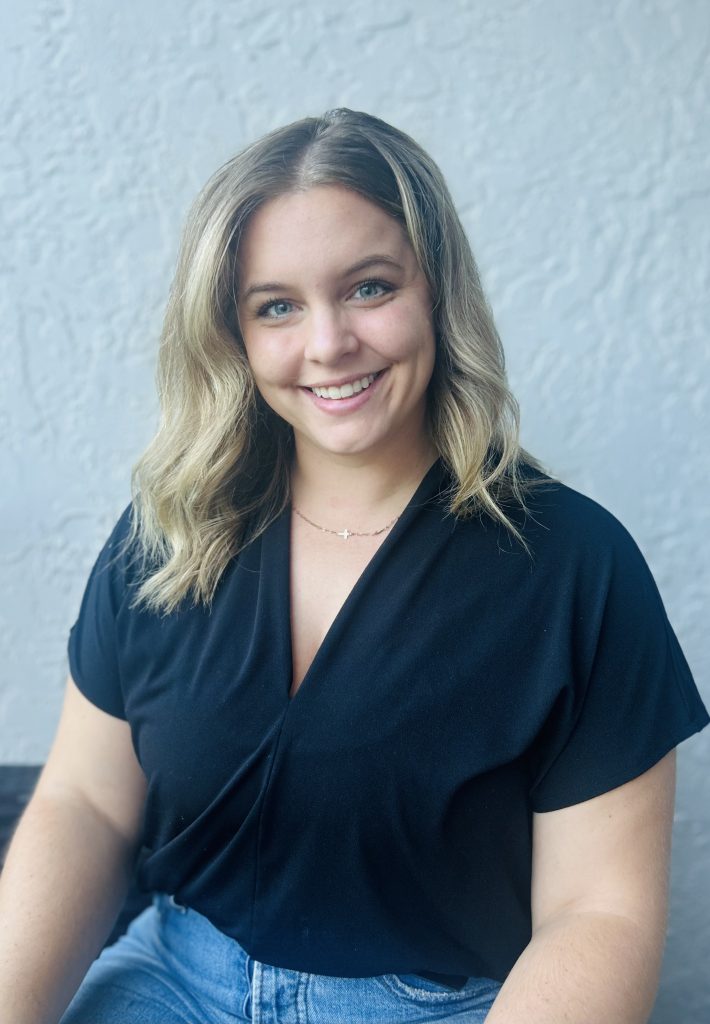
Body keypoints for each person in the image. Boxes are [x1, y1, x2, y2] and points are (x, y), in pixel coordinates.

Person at [0, 108, 707, 1024]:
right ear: (233, 334)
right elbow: (86, 807)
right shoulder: (170, 531)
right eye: (277, 306)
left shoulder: (575, 568)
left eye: (370, 288)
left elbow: (598, 913)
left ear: (437, 290)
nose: (328, 343)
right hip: (171, 980)